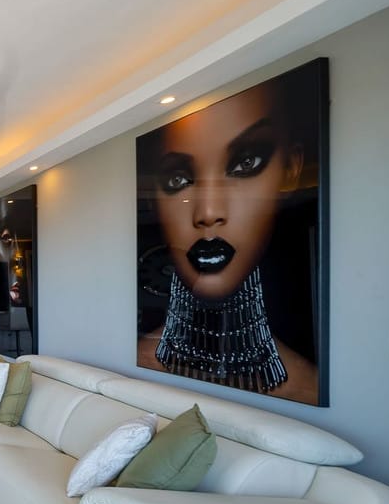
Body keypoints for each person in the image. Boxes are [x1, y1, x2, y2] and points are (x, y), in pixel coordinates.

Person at [136, 62, 323, 405]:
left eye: (246, 163)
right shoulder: (142, 358)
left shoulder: (308, 388)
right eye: (178, 179)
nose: (208, 212)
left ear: (291, 170)